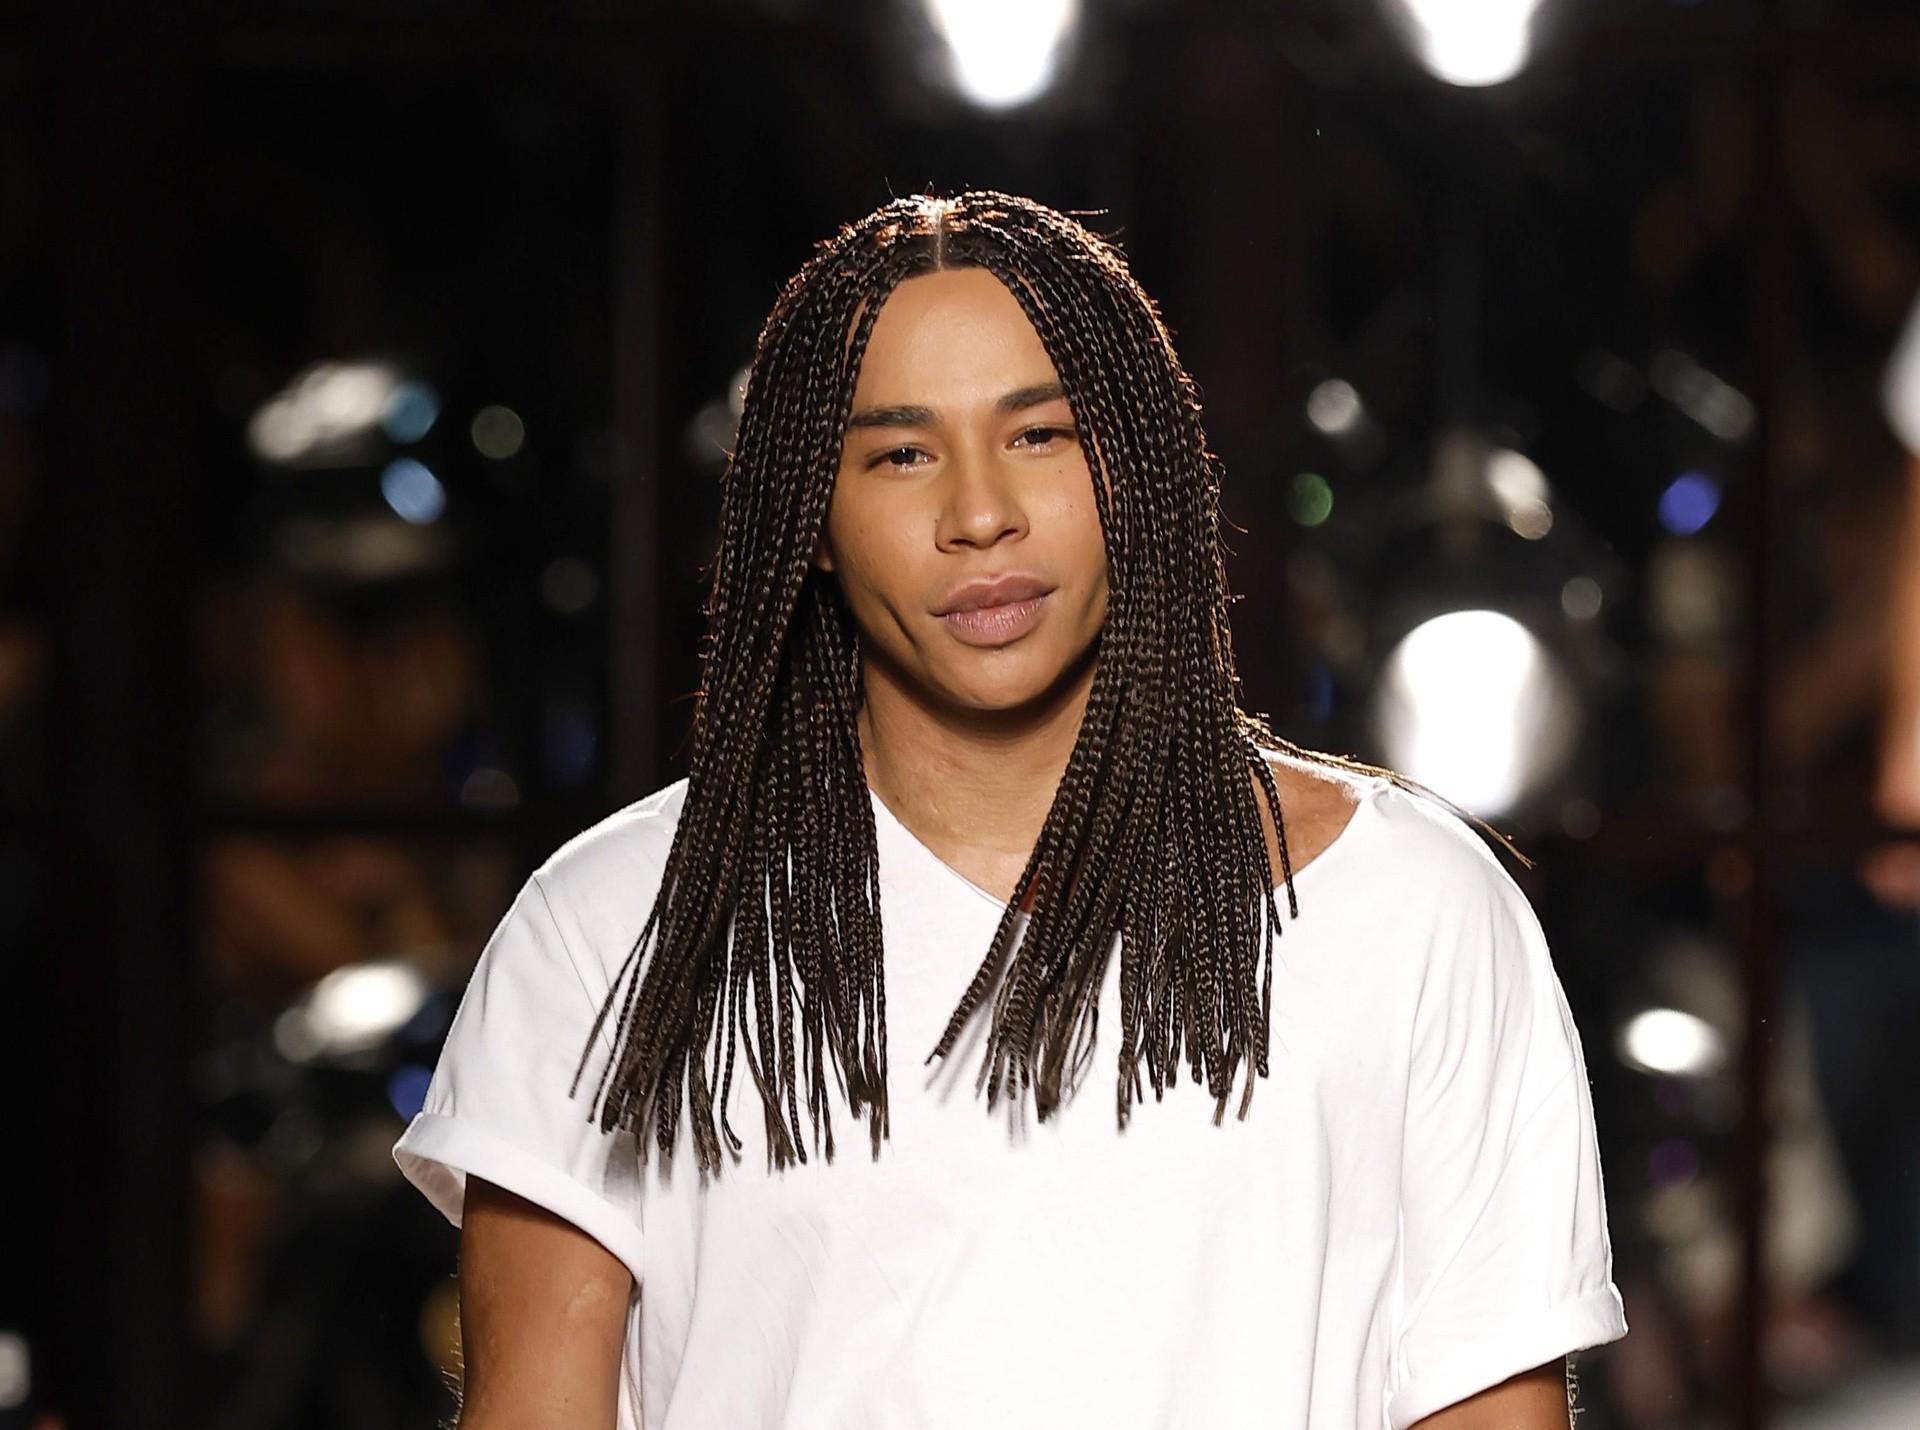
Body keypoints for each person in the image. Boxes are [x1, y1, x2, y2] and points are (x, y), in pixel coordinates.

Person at [392, 191, 1627, 1429]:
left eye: (1040, 434)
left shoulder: (1413, 913)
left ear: (1134, 467)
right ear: (810, 517)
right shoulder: (614, 930)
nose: (980, 514)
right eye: (901, 453)